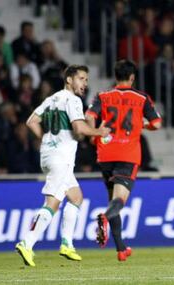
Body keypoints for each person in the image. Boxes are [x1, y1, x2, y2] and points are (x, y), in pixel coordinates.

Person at [15, 65, 111, 267]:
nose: (84, 83)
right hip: (61, 158)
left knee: (76, 197)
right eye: (81, 78)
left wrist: (47, 140)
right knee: (52, 203)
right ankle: (27, 242)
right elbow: (79, 127)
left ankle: (67, 243)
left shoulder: (51, 99)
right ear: (69, 80)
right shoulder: (73, 100)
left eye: (86, 79)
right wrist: (98, 133)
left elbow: (31, 121)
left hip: (50, 155)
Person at [85, 60, 161, 261]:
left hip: (105, 152)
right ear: (132, 77)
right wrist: (142, 126)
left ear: (115, 76)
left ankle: (121, 249)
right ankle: (104, 217)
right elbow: (157, 123)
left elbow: (89, 115)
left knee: (112, 200)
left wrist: (94, 134)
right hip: (127, 155)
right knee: (119, 201)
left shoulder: (102, 95)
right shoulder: (141, 97)